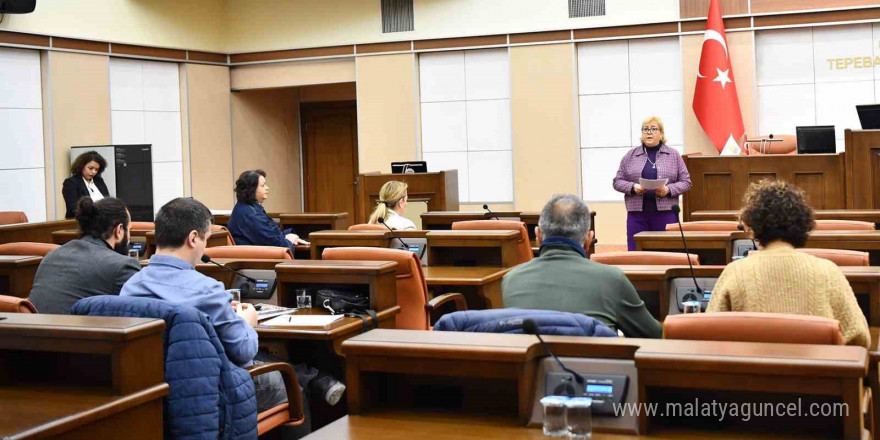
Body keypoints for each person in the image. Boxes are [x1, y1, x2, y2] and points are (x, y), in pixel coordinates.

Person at [120, 197, 345, 426]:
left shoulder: (130, 287)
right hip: (214, 387)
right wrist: (247, 322)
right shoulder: (206, 289)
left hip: (153, 386)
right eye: (206, 239)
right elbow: (242, 350)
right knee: (292, 389)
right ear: (193, 238)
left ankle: (317, 379)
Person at [707, 181, 870, 348]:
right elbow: (860, 337)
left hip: (753, 373)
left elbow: (708, 335)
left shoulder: (735, 272)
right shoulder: (829, 271)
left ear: (753, 226)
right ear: (803, 225)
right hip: (816, 373)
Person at [502, 194, 662, 338]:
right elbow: (654, 335)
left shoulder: (510, 280)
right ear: (589, 239)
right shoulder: (612, 280)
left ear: (537, 235)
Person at [29, 197, 139, 314]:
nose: (129, 238)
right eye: (129, 230)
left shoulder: (50, 257)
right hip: (76, 331)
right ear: (119, 230)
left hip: (33, 331)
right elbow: (143, 313)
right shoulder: (122, 266)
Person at [612, 116, 692, 251]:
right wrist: (633, 187)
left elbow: (686, 182)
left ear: (661, 133)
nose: (649, 132)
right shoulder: (630, 155)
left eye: (653, 129)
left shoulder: (673, 155)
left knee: (667, 252)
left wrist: (668, 189)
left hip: (666, 214)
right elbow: (617, 181)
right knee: (636, 252)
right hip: (637, 215)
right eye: (645, 129)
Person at [228, 170, 307, 254]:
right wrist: (289, 240)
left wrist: (287, 236)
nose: (267, 187)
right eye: (263, 185)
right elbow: (278, 247)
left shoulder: (246, 207)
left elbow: (268, 235)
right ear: (251, 189)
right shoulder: (252, 215)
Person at [62, 150, 111, 219]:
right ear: (81, 166)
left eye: (96, 169)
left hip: (102, 222)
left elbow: (108, 201)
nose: (93, 172)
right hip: (81, 223)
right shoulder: (71, 183)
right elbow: (73, 209)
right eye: (90, 168)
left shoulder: (99, 181)